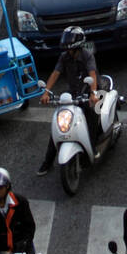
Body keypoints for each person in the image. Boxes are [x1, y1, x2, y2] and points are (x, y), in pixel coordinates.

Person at [37, 26, 102, 175]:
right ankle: (48, 162)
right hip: (73, 92)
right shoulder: (64, 57)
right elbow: (55, 73)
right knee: (58, 121)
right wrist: (46, 92)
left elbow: (92, 74)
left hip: (88, 90)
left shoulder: (87, 55)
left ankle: (91, 148)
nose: (68, 50)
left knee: (91, 114)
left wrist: (93, 93)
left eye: (69, 47)